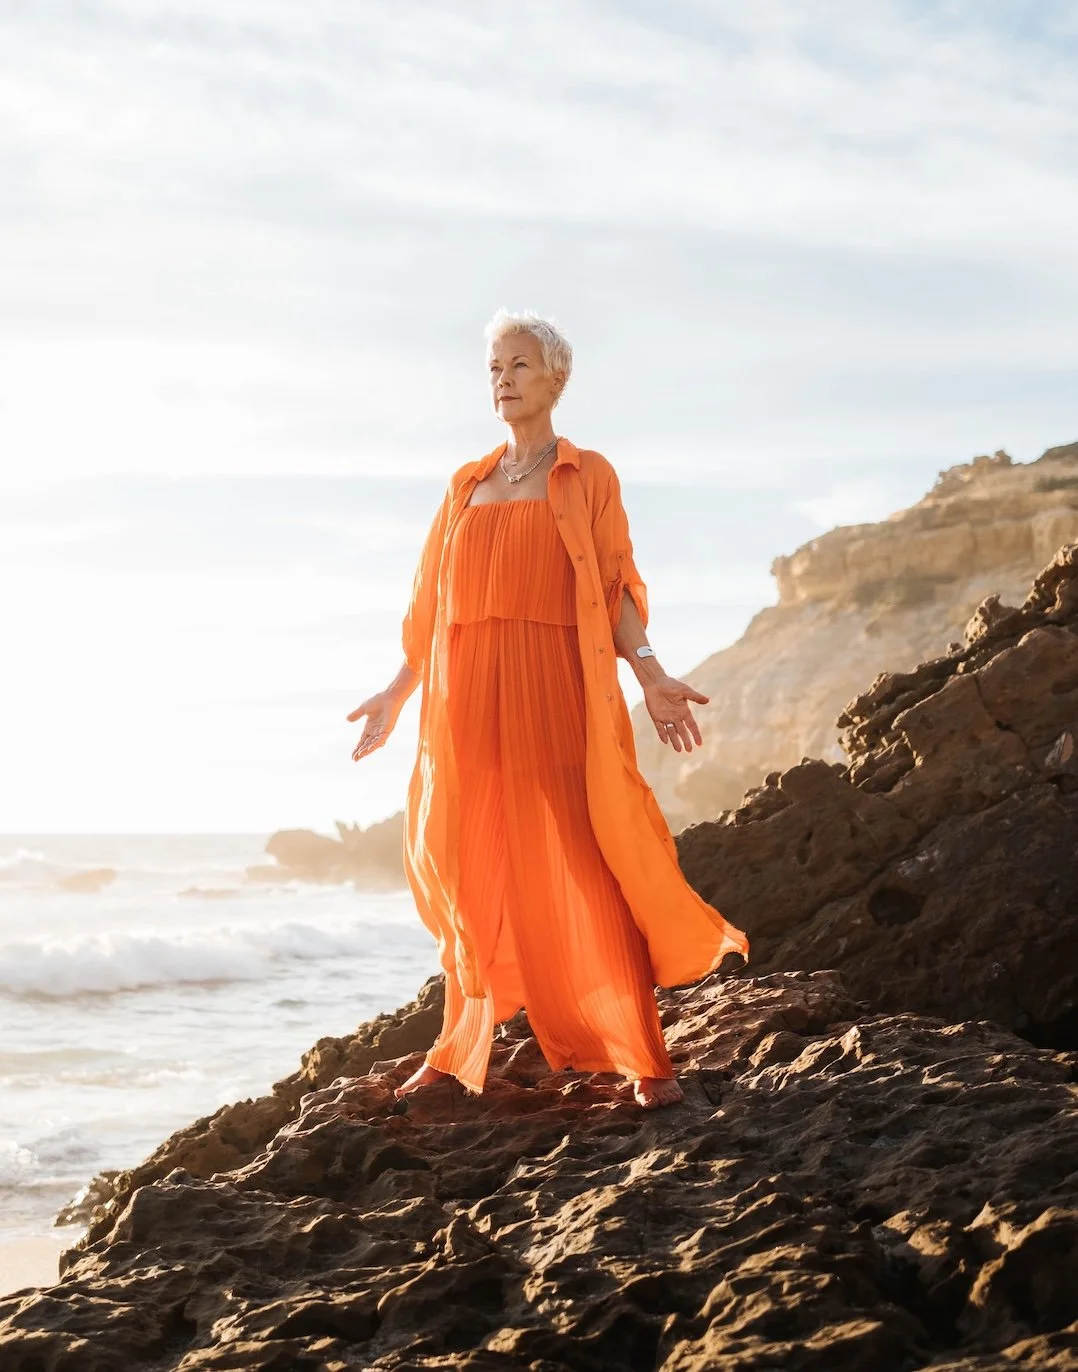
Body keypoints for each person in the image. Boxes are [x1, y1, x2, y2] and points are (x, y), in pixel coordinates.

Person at [347, 309, 749, 1109]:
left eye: (520, 366)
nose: (503, 380)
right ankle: (458, 1046)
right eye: (494, 368)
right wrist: (397, 694)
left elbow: (613, 585)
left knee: (585, 855)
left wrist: (652, 672)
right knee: (468, 866)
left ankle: (643, 1055)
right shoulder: (464, 486)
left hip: (553, 685)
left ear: (556, 377)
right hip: (468, 697)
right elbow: (432, 607)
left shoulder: (586, 474)